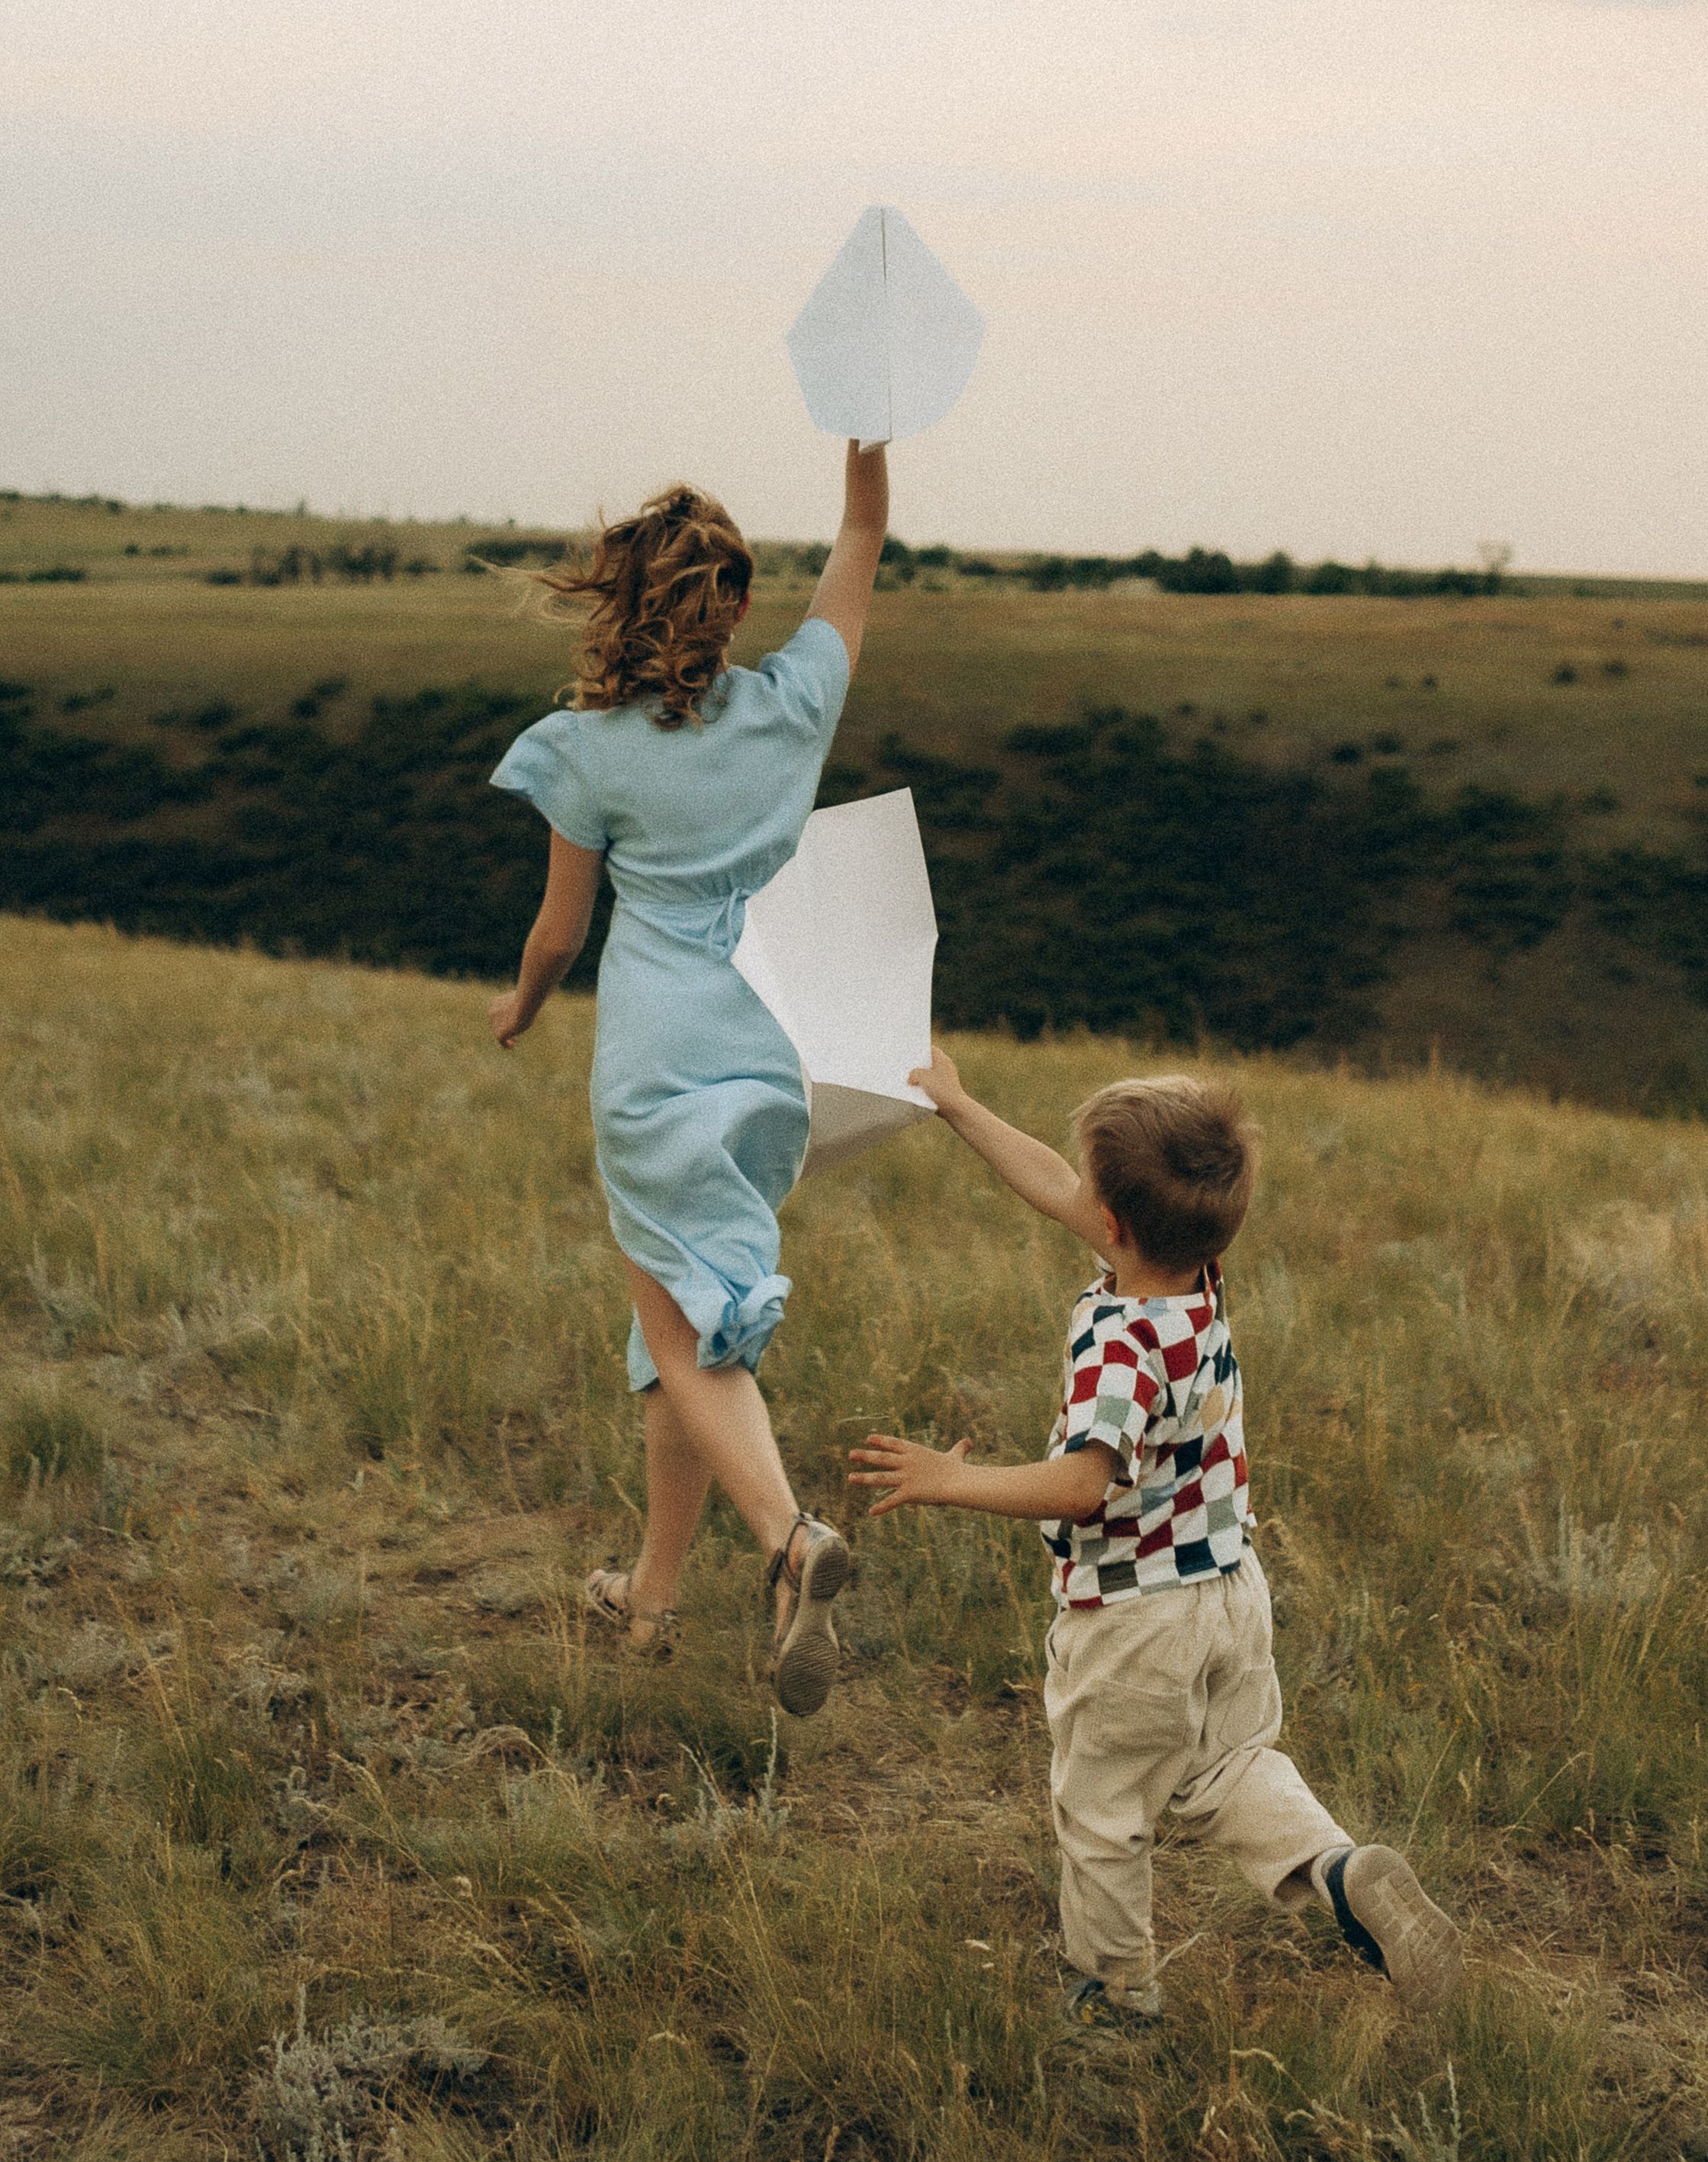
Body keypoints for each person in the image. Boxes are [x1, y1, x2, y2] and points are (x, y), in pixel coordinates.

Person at [851, 1057, 1463, 2026]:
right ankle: (1340, 1872)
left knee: (1101, 1813)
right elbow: (1064, 1190)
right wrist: (960, 1106)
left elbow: (1084, 1484)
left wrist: (949, 1478)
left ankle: (1115, 1994)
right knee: (1230, 1766)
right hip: (1228, 1591)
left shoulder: (1119, 1344)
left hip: (1133, 1620)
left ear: (1115, 1225)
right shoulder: (1196, 1290)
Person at [487, 443, 889, 1716]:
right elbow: (862, 547)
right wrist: (863, 459)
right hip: (776, 1055)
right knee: (690, 1324)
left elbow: (560, 929)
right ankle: (653, 1596)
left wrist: (523, 1004)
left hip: (657, 1060)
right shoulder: (793, 706)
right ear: (736, 604)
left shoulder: (585, 750)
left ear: (621, 605)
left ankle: (788, 1541)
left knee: (679, 1327)